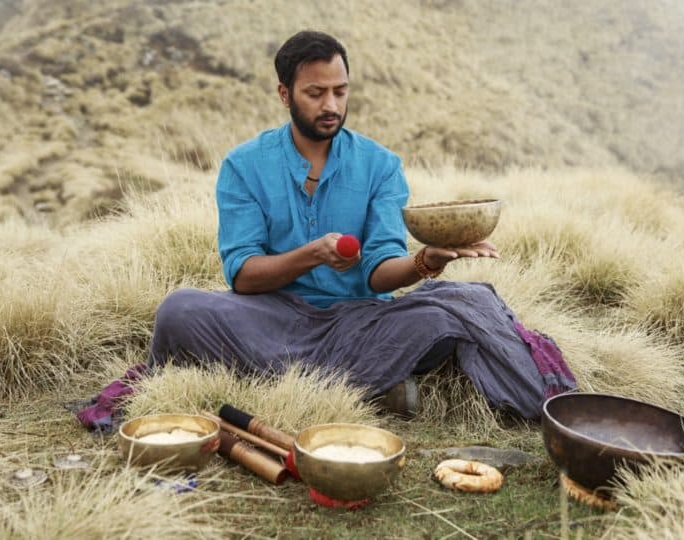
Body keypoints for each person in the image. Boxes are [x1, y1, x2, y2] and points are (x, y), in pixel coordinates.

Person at [147, 30, 575, 419]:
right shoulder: (243, 166)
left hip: (363, 321)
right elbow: (242, 277)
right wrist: (313, 254)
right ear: (285, 94)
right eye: (315, 93)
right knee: (180, 311)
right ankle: (374, 384)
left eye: (340, 91)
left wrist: (426, 261)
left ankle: (306, 379)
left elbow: (379, 270)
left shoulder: (381, 166)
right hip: (271, 315)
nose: (331, 105)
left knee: (448, 314)